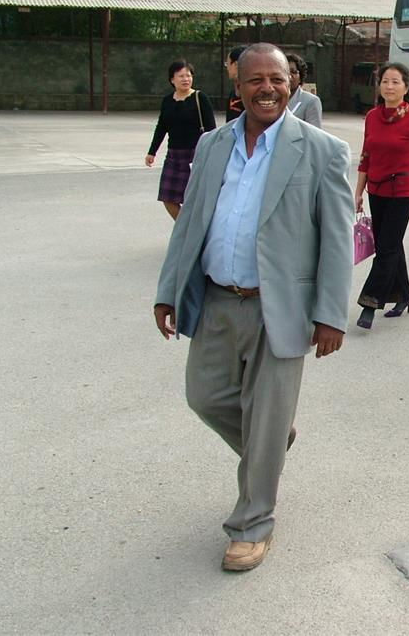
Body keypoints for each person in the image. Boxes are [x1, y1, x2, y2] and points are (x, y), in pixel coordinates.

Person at [153, 43, 353, 572]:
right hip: (218, 299)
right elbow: (191, 220)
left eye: (277, 79)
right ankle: (271, 441)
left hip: (280, 306)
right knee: (204, 396)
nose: (268, 88)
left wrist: (331, 314)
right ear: (237, 87)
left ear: (292, 83)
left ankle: (252, 524)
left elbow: (337, 238)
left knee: (264, 418)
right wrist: (168, 290)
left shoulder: (322, 150)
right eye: (256, 80)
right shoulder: (212, 144)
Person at [353, 63, 409, 329]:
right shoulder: (372, 117)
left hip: (402, 192)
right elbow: (365, 156)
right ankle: (403, 295)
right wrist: (358, 192)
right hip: (376, 189)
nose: (389, 86)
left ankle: (370, 302)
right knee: (391, 245)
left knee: (386, 248)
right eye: (385, 81)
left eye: (395, 82)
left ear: (406, 87)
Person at [145, 59, 216, 220]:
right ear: (172, 79)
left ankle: (196, 230)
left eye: (188, 75)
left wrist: (211, 154)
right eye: (181, 76)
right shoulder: (167, 101)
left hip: (197, 155)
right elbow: (161, 127)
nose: (186, 79)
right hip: (174, 156)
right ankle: (184, 228)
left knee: (196, 198)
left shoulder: (200, 98)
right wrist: (152, 152)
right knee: (168, 198)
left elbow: (211, 130)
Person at [286, 53, 323, 128]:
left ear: (300, 77)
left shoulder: (311, 101)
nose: (289, 76)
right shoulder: (272, 99)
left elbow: (313, 132)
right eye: (285, 72)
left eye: (293, 72)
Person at [225, 45, 246, 122]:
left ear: (236, 65)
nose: (227, 68)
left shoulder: (251, 94)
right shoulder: (232, 94)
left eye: (227, 64)